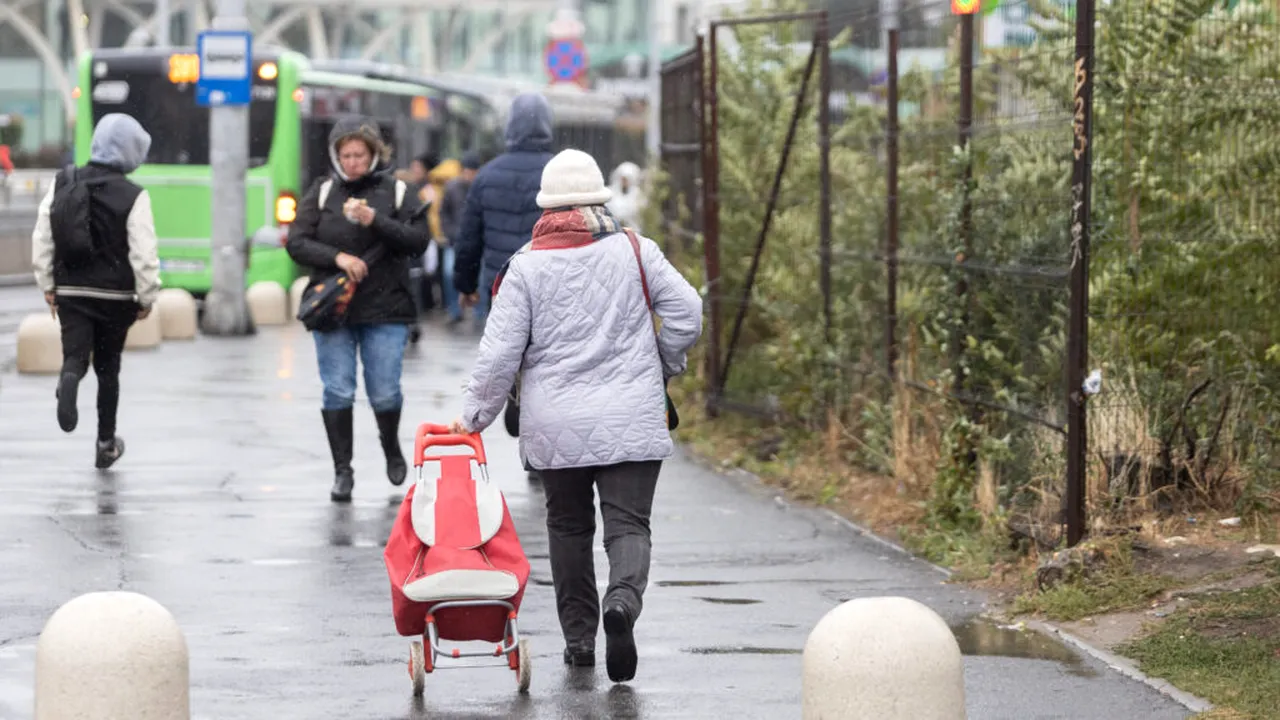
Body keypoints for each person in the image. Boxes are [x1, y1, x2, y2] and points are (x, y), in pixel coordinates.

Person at [448, 149, 703, 683]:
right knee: (628, 525)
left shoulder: (524, 267)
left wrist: (473, 417)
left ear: (546, 206)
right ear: (600, 199)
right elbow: (687, 311)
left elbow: (498, 356)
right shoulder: (636, 250)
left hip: (555, 424)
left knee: (568, 528)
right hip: (632, 414)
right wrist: (662, 364)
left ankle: (580, 641)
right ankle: (622, 603)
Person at [286, 117, 430, 503]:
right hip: (334, 309)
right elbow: (296, 242)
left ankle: (391, 448)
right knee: (337, 388)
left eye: (360, 155)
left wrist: (375, 220)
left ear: (374, 155)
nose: (352, 162)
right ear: (336, 156)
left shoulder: (397, 191)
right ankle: (342, 470)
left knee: (384, 390)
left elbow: (418, 240)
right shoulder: (323, 191)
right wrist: (338, 257)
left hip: (386, 307)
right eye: (346, 155)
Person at [30, 113, 160, 469]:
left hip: (71, 289)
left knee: (75, 354)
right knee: (108, 368)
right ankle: (105, 443)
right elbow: (144, 252)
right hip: (116, 297)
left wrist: (47, 284)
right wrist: (147, 296)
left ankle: (69, 379)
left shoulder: (65, 181)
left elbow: (43, 235)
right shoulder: (133, 195)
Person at [453, 94, 555, 327]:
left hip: (501, 284)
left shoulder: (486, 176)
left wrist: (466, 286)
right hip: (550, 285)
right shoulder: (560, 170)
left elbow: (469, 239)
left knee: (505, 346)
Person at [436, 150, 481, 325]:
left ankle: (479, 312)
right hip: (455, 239)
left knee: (479, 275)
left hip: (477, 240)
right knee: (449, 274)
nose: (470, 176)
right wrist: (450, 232)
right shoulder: (452, 187)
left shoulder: (481, 187)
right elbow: (444, 213)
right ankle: (454, 310)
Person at [606, 162, 645, 231]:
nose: (624, 182)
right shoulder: (610, 192)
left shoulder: (637, 194)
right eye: (623, 179)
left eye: (626, 179)